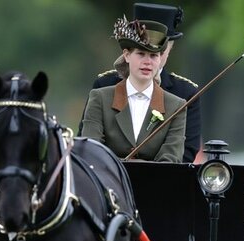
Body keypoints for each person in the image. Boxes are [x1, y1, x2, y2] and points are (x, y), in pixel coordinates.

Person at [82, 3, 201, 163]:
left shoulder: (180, 101)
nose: (147, 62)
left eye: (154, 55)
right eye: (140, 53)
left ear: (166, 51)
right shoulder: (102, 91)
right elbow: (89, 148)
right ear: (126, 55)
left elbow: (177, 158)